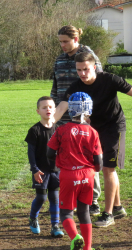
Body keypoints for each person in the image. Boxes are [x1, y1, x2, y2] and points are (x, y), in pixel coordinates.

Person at [54, 52, 132, 228]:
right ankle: (118, 207)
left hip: (114, 127)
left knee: (107, 169)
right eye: (79, 70)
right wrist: (49, 123)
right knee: (104, 169)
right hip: (92, 130)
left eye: (86, 69)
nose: (82, 73)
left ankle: (108, 214)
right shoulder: (75, 86)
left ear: (94, 67)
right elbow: (62, 107)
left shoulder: (110, 80)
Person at [51, 25, 103, 216]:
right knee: (66, 158)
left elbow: (98, 82)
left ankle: (93, 199)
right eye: (60, 42)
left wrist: (90, 114)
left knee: (87, 157)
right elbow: (56, 87)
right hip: (63, 116)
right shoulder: (59, 59)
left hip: (84, 117)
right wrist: (54, 112)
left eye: (65, 41)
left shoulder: (87, 55)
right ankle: (69, 198)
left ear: (75, 39)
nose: (62, 45)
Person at [47, 92, 103, 250]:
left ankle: (75, 237)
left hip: (68, 175)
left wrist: (56, 165)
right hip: (88, 175)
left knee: (66, 213)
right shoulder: (93, 132)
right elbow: (99, 162)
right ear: (89, 110)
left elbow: (50, 153)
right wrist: (92, 170)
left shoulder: (61, 130)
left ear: (69, 110)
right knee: (84, 212)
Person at [25, 96, 64, 238]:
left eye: (50, 107)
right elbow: (31, 153)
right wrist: (35, 170)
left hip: (55, 170)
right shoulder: (34, 130)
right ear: (38, 111)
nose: (48, 109)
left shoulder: (59, 129)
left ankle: (55, 225)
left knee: (54, 198)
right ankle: (33, 218)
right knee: (41, 198)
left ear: (54, 110)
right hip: (40, 171)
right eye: (44, 107)